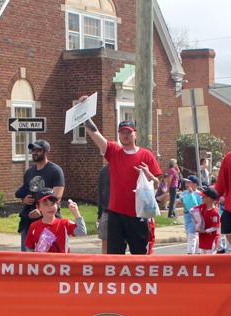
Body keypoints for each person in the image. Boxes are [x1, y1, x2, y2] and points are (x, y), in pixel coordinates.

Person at [80, 97, 162, 254]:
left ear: (135, 134)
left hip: (139, 214)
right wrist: (84, 112)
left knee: (139, 254)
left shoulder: (146, 155)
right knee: (114, 255)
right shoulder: (114, 152)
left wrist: (149, 175)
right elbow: (95, 133)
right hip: (116, 214)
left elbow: (160, 186)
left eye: (128, 132)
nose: (125, 135)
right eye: (122, 132)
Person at [14, 140, 65, 251]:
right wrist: (24, 199)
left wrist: (42, 211)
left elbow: (57, 196)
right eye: (33, 150)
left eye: (38, 150)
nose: (34, 153)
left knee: (44, 256)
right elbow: (25, 190)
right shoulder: (29, 172)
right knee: (27, 257)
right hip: (29, 221)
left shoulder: (55, 171)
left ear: (46, 152)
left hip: (48, 222)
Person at [176, 176, 202, 254]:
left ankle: (190, 254)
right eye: (186, 182)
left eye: (189, 182)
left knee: (192, 234)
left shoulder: (199, 194)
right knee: (190, 234)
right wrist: (179, 202)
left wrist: (191, 194)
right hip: (187, 215)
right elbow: (178, 203)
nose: (187, 184)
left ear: (195, 184)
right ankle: (198, 252)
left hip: (195, 216)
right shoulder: (184, 193)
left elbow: (197, 206)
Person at [195, 186, 220, 255]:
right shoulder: (203, 208)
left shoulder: (214, 213)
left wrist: (204, 231)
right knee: (203, 258)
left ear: (209, 199)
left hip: (211, 239)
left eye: (203, 197)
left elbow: (216, 227)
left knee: (210, 258)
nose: (202, 198)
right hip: (203, 238)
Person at [97, 161, 110, 254]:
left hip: (122, 212)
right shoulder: (104, 170)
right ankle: (105, 263)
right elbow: (100, 193)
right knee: (105, 241)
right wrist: (99, 214)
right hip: (107, 211)